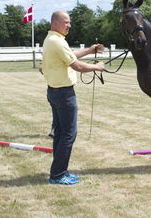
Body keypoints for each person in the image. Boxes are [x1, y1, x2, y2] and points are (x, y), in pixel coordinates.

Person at [42, 10, 105, 185]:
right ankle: (58, 175)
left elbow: (71, 56)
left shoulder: (52, 40)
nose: (69, 25)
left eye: (69, 22)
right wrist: (97, 67)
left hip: (55, 92)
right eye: (66, 22)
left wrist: (91, 49)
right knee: (69, 133)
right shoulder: (57, 41)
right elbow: (76, 65)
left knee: (61, 133)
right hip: (63, 94)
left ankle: (59, 172)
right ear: (55, 23)